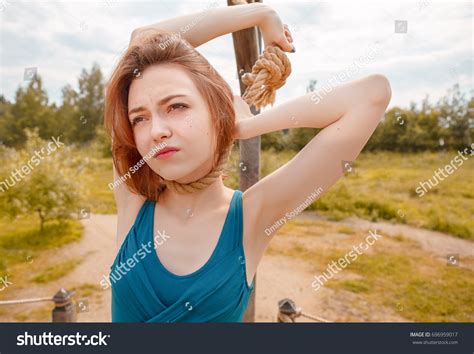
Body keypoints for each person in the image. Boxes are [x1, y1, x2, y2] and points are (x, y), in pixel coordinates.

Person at [103, 2, 391, 322]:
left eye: (177, 107)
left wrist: (248, 125)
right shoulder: (133, 201)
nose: (156, 131)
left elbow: (371, 95)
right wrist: (259, 16)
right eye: (139, 118)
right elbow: (142, 39)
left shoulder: (252, 216)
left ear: (218, 113)